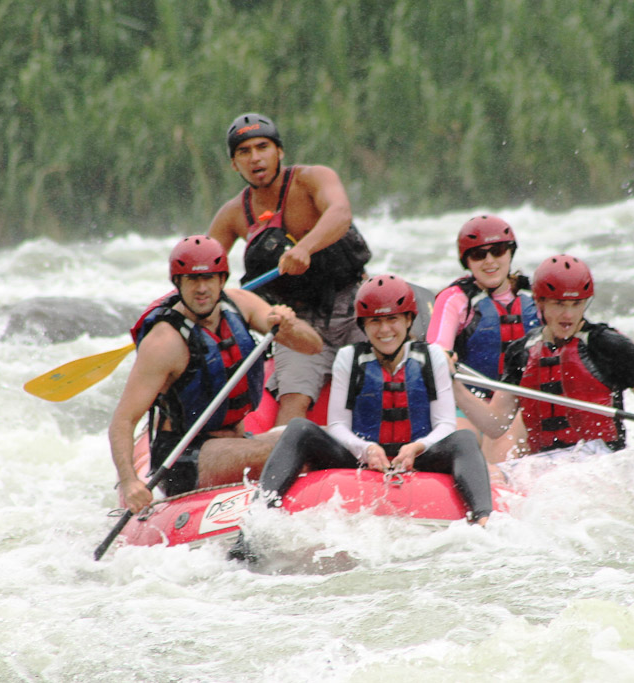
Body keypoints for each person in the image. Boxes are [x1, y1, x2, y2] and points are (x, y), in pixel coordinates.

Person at [228, 274, 493, 561]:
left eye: (393, 319)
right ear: (363, 326)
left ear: (408, 320)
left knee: (464, 438)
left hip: (418, 455)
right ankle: (253, 527)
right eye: (375, 322)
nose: (385, 329)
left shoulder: (432, 357)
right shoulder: (348, 358)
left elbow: (445, 425)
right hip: (363, 457)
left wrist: (418, 447)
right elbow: (338, 425)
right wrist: (365, 449)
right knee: (299, 429)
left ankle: (483, 524)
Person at [109, 235, 322, 514]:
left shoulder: (240, 303)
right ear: (178, 284)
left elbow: (313, 346)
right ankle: (260, 521)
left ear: (222, 280)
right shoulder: (164, 342)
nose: (201, 289)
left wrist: (290, 326)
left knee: (318, 437)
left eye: (209, 279)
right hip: (185, 458)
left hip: (236, 441)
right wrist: (128, 482)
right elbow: (123, 421)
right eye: (192, 280)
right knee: (291, 451)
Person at [207, 112, 372, 427]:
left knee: (377, 384)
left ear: (279, 151)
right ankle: (287, 462)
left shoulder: (312, 179)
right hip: (296, 323)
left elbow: (340, 212)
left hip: (352, 305)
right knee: (294, 400)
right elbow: (201, 270)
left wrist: (304, 248)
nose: (255, 158)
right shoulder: (232, 215)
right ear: (233, 164)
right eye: (244, 152)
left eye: (262, 147)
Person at [453, 254, 634, 481]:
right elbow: (495, 424)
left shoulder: (609, 345)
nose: (568, 315)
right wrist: (456, 387)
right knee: (486, 476)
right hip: (545, 464)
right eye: (558, 304)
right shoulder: (521, 352)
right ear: (540, 302)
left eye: (576, 304)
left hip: (602, 459)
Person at [426, 215, 540, 462]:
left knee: (506, 439)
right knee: (462, 440)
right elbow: (437, 349)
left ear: (510, 253)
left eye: (497, 251)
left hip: (521, 406)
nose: (489, 261)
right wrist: (442, 357)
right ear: (467, 261)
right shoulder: (455, 298)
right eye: (478, 255)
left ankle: (500, 479)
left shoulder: (537, 295)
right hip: (468, 404)